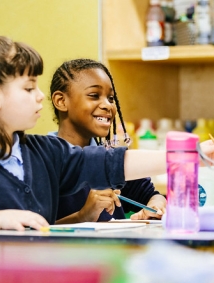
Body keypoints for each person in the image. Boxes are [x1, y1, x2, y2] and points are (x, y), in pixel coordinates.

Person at [0, 33, 214, 269]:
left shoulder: (46, 152)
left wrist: (189, 155)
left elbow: (110, 163)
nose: (40, 96)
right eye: (28, 89)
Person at [49, 58, 166, 223]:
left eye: (111, 98)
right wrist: (83, 216)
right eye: (94, 96)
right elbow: (31, 232)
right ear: (61, 101)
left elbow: (152, 196)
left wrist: (155, 207)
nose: (108, 105)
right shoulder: (42, 160)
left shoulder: (109, 160)